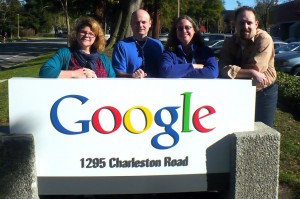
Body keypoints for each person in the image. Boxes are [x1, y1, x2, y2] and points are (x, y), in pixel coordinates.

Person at [218, 6, 277, 127]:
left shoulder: (264, 39)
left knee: (262, 133)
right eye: (241, 23)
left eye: (249, 23)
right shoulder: (229, 42)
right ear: (235, 24)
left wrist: (239, 70)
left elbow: (256, 69)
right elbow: (221, 67)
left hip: (262, 91)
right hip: (237, 91)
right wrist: (250, 72)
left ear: (256, 24)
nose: (245, 27)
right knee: (236, 129)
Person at [39, 17, 115, 78]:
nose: (86, 36)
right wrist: (74, 74)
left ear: (96, 37)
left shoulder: (104, 59)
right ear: (77, 34)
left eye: (91, 33)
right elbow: (45, 71)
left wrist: (96, 81)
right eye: (83, 32)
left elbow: (113, 83)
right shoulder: (65, 53)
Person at [112, 9, 164, 78]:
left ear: (150, 23)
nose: (140, 25)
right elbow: (118, 72)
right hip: (130, 86)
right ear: (131, 24)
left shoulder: (157, 45)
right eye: (137, 22)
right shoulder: (122, 46)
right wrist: (132, 76)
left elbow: (163, 68)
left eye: (144, 22)